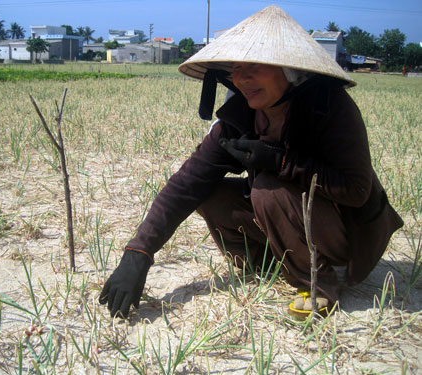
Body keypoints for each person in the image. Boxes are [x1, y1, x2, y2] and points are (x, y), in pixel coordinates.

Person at [99, 5, 403, 319]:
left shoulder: (330, 108)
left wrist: (282, 161)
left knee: (267, 190)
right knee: (210, 193)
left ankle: (317, 282)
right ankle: (273, 265)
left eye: (254, 65)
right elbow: (186, 184)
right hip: (293, 223)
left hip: (344, 234)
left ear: (290, 69)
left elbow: (355, 190)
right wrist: (139, 253)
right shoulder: (240, 117)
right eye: (236, 67)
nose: (241, 78)